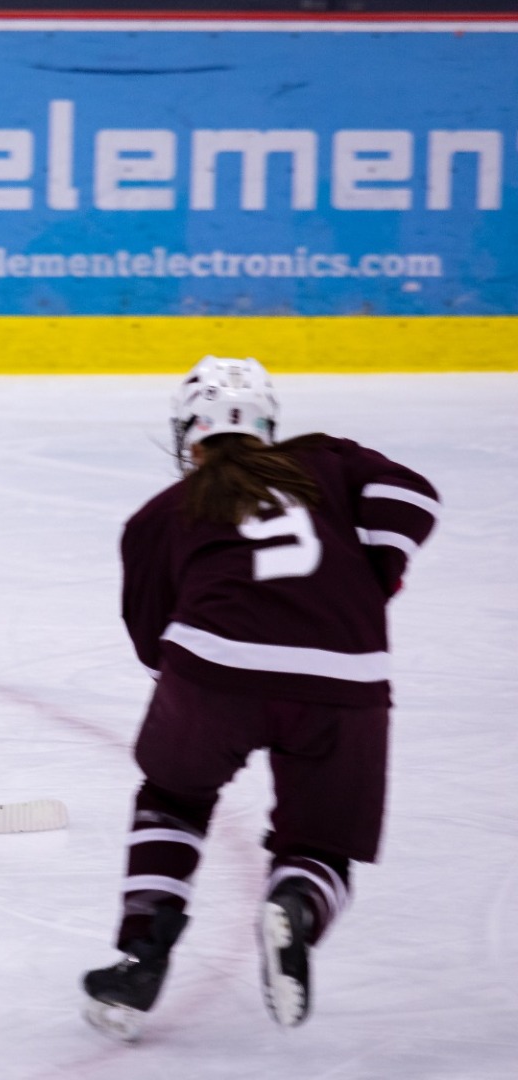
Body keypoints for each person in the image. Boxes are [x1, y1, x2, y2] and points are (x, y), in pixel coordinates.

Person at [81, 357, 440, 1040]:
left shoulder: (158, 517)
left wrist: (200, 697)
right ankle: (295, 902)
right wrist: (373, 582)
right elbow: (414, 499)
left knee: (174, 796)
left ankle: (142, 956)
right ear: (268, 424)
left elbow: (153, 644)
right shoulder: (327, 461)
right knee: (320, 844)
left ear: (188, 432)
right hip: (347, 673)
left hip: (215, 668)